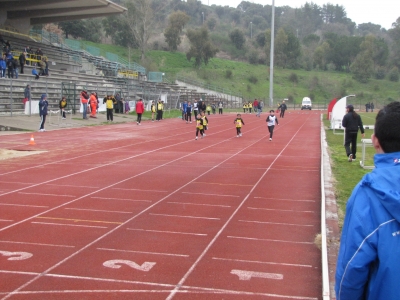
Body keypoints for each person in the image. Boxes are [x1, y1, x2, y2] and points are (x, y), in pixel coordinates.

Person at [335, 101, 400, 300]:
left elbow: (352, 268)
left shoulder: (368, 195)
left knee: (350, 144)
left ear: (375, 141)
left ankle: (351, 155)